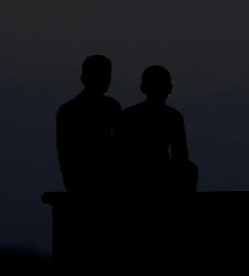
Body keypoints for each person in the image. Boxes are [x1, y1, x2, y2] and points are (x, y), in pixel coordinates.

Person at [116, 65, 198, 194]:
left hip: (134, 169)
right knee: (189, 169)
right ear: (170, 89)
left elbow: (117, 147)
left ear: (143, 89)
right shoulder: (173, 116)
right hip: (155, 168)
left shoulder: (130, 113)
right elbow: (181, 154)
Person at [55, 54, 123, 194]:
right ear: (84, 78)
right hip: (85, 177)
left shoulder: (67, 109)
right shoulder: (110, 107)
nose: (104, 81)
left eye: (106, 77)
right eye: (100, 76)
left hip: (95, 176)